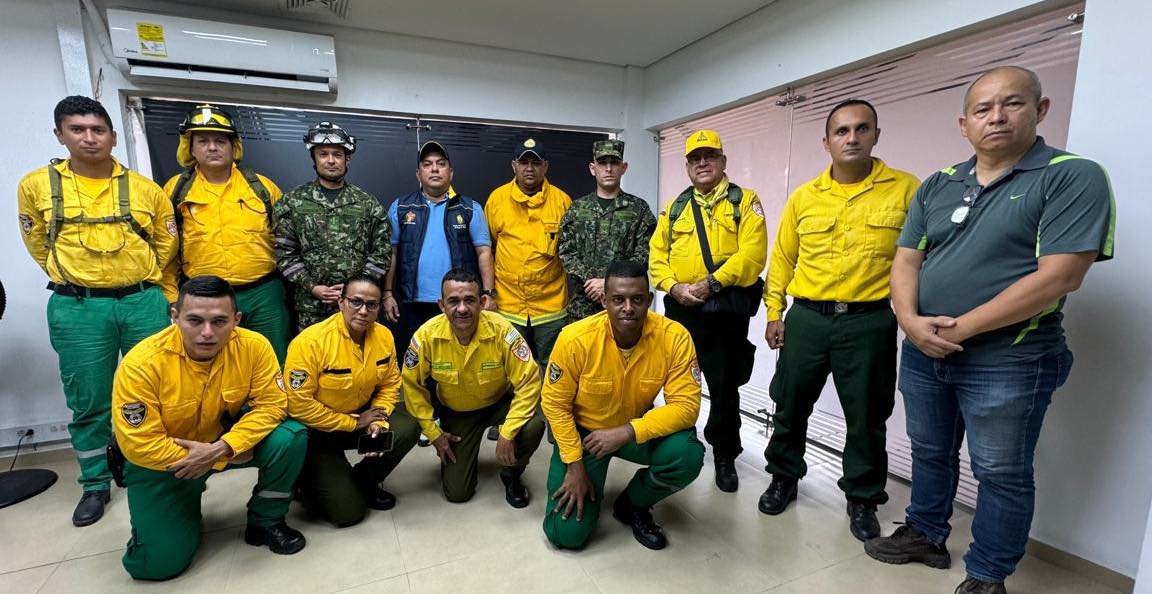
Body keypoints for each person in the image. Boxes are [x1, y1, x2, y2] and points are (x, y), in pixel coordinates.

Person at [863, 66, 1115, 594]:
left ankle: (988, 572)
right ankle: (927, 534)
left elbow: (1061, 275)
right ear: (964, 123)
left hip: (1009, 357)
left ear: (1040, 110)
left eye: (1012, 104)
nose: (996, 117)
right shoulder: (939, 183)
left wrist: (958, 329)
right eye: (982, 109)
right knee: (928, 449)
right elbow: (906, 260)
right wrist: (909, 322)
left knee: (1000, 470)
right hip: (924, 350)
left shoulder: (1070, 176)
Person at [758, 100, 919, 542]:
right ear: (826, 141)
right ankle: (783, 477)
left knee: (867, 416)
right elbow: (783, 259)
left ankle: (863, 498)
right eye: (842, 131)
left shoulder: (906, 191)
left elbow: (923, 258)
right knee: (790, 404)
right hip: (808, 318)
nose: (852, 138)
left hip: (869, 321)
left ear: (875, 135)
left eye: (861, 129)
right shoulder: (805, 197)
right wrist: (774, 313)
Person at [16, 95, 176, 527]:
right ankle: (94, 483)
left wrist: (154, 288)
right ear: (60, 135)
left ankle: (152, 468)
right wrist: (77, 277)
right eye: (77, 129)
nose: (89, 138)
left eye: (98, 130)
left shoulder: (145, 189)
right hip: (78, 305)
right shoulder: (37, 186)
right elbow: (37, 243)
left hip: (143, 301)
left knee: (157, 391)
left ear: (112, 136)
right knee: (89, 399)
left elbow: (166, 242)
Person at [112, 276, 308, 581]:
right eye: (194, 320)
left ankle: (265, 521)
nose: (207, 333)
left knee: (290, 436)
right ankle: (182, 505)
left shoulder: (254, 347)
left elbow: (272, 405)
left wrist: (225, 447)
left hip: (223, 443)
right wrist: (219, 458)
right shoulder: (142, 363)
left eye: (219, 321)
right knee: (156, 565)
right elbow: (140, 444)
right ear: (175, 316)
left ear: (236, 319)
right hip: (163, 461)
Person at [542, 260, 704, 550]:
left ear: (649, 300)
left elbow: (686, 407)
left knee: (687, 454)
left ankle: (633, 504)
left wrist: (627, 432)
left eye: (637, 299)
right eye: (618, 299)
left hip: (633, 431)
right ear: (604, 300)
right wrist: (575, 465)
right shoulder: (575, 339)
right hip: (584, 439)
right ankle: (590, 480)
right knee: (565, 536)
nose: (627, 308)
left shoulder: (675, 338)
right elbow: (554, 404)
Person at [649, 129, 768, 492]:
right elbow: (656, 259)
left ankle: (724, 453)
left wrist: (710, 283)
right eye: (695, 158)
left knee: (724, 386)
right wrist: (675, 287)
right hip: (682, 310)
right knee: (679, 379)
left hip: (724, 312)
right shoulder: (675, 208)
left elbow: (753, 256)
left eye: (710, 156)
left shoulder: (744, 202)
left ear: (723, 161)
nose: (703, 163)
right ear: (687, 166)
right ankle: (679, 441)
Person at [402, 268, 545, 507]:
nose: (462, 308)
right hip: (458, 412)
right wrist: (433, 434)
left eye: (470, 300)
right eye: (453, 301)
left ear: (481, 302)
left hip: (498, 403)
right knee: (457, 494)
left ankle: (511, 475)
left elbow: (529, 381)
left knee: (532, 426)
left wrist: (508, 432)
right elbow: (412, 386)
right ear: (441, 305)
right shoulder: (426, 336)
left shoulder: (502, 331)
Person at [285, 275, 421, 526]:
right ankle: (306, 480)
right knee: (349, 515)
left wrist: (377, 419)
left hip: (361, 418)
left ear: (380, 307)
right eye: (356, 302)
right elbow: (299, 404)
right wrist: (353, 423)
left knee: (409, 425)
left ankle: (361, 482)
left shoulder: (384, 336)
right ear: (341, 302)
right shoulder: (310, 342)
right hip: (317, 431)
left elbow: (390, 383)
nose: (363, 311)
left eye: (372, 304)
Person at [160, 103, 289, 363]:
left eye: (220, 140)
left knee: (274, 361)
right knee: (212, 362)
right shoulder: (176, 190)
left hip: (263, 294)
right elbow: (167, 248)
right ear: (191, 147)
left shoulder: (262, 188)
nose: (212, 147)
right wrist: (173, 298)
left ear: (234, 146)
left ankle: (274, 405)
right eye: (203, 141)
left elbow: (287, 242)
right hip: (202, 298)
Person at [273, 122, 391, 331]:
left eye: (337, 154)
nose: (330, 161)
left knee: (360, 359)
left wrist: (353, 290)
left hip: (358, 308)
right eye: (323, 154)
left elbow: (382, 253)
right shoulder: (293, 202)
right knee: (313, 361)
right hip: (312, 307)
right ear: (314, 159)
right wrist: (313, 287)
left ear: (348, 159)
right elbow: (284, 253)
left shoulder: (367, 203)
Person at [383, 140, 495, 357]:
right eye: (427, 164)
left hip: (458, 303)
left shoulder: (470, 208)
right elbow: (391, 253)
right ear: (418, 174)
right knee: (415, 363)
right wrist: (387, 294)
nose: (434, 169)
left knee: (456, 362)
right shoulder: (401, 207)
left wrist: (488, 294)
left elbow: (484, 253)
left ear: (451, 173)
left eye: (441, 164)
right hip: (412, 303)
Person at [484, 137, 572, 367]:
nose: (529, 168)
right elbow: (487, 250)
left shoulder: (562, 202)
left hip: (551, 306)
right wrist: (490, 294)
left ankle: (548, 405)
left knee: (554, 368)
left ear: (546, 166)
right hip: (508, 304)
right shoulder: (497, 200)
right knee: (509, 367)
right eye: (524, 162)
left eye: (536, 162)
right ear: (514, 166)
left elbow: (570, 252)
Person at [558, 139, 656, 324]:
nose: (608, 169)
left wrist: (608, 284)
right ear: (592, 168)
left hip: (625, 309)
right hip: (583, 306)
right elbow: (566, 251)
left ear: (624, 167)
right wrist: (592, 282)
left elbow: (645, 252)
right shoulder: (577, 209)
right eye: (602, 163)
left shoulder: (639, 209)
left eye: (614, 163)